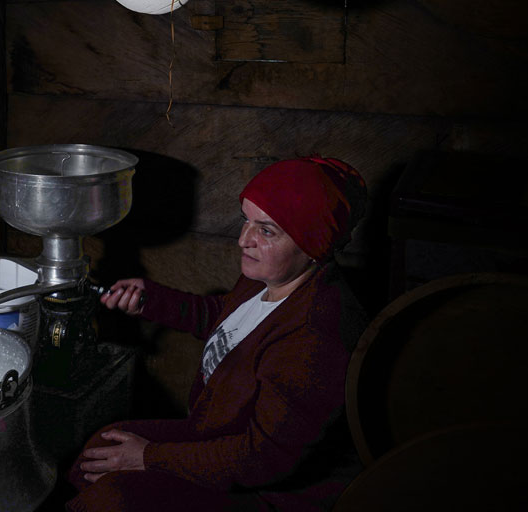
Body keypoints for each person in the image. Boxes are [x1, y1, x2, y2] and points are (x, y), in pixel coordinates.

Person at [66, 155, 370, 511]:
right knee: (100, 450)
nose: (244, 240)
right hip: (218, 435)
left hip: (270, 495)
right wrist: (152, 301)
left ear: (313, 243)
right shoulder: (267, 279)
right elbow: (227, 320)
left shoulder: (316, 336)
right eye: (246, 221)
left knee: (112, 497)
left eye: (266, 230)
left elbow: (263, 459)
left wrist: (150, 457)